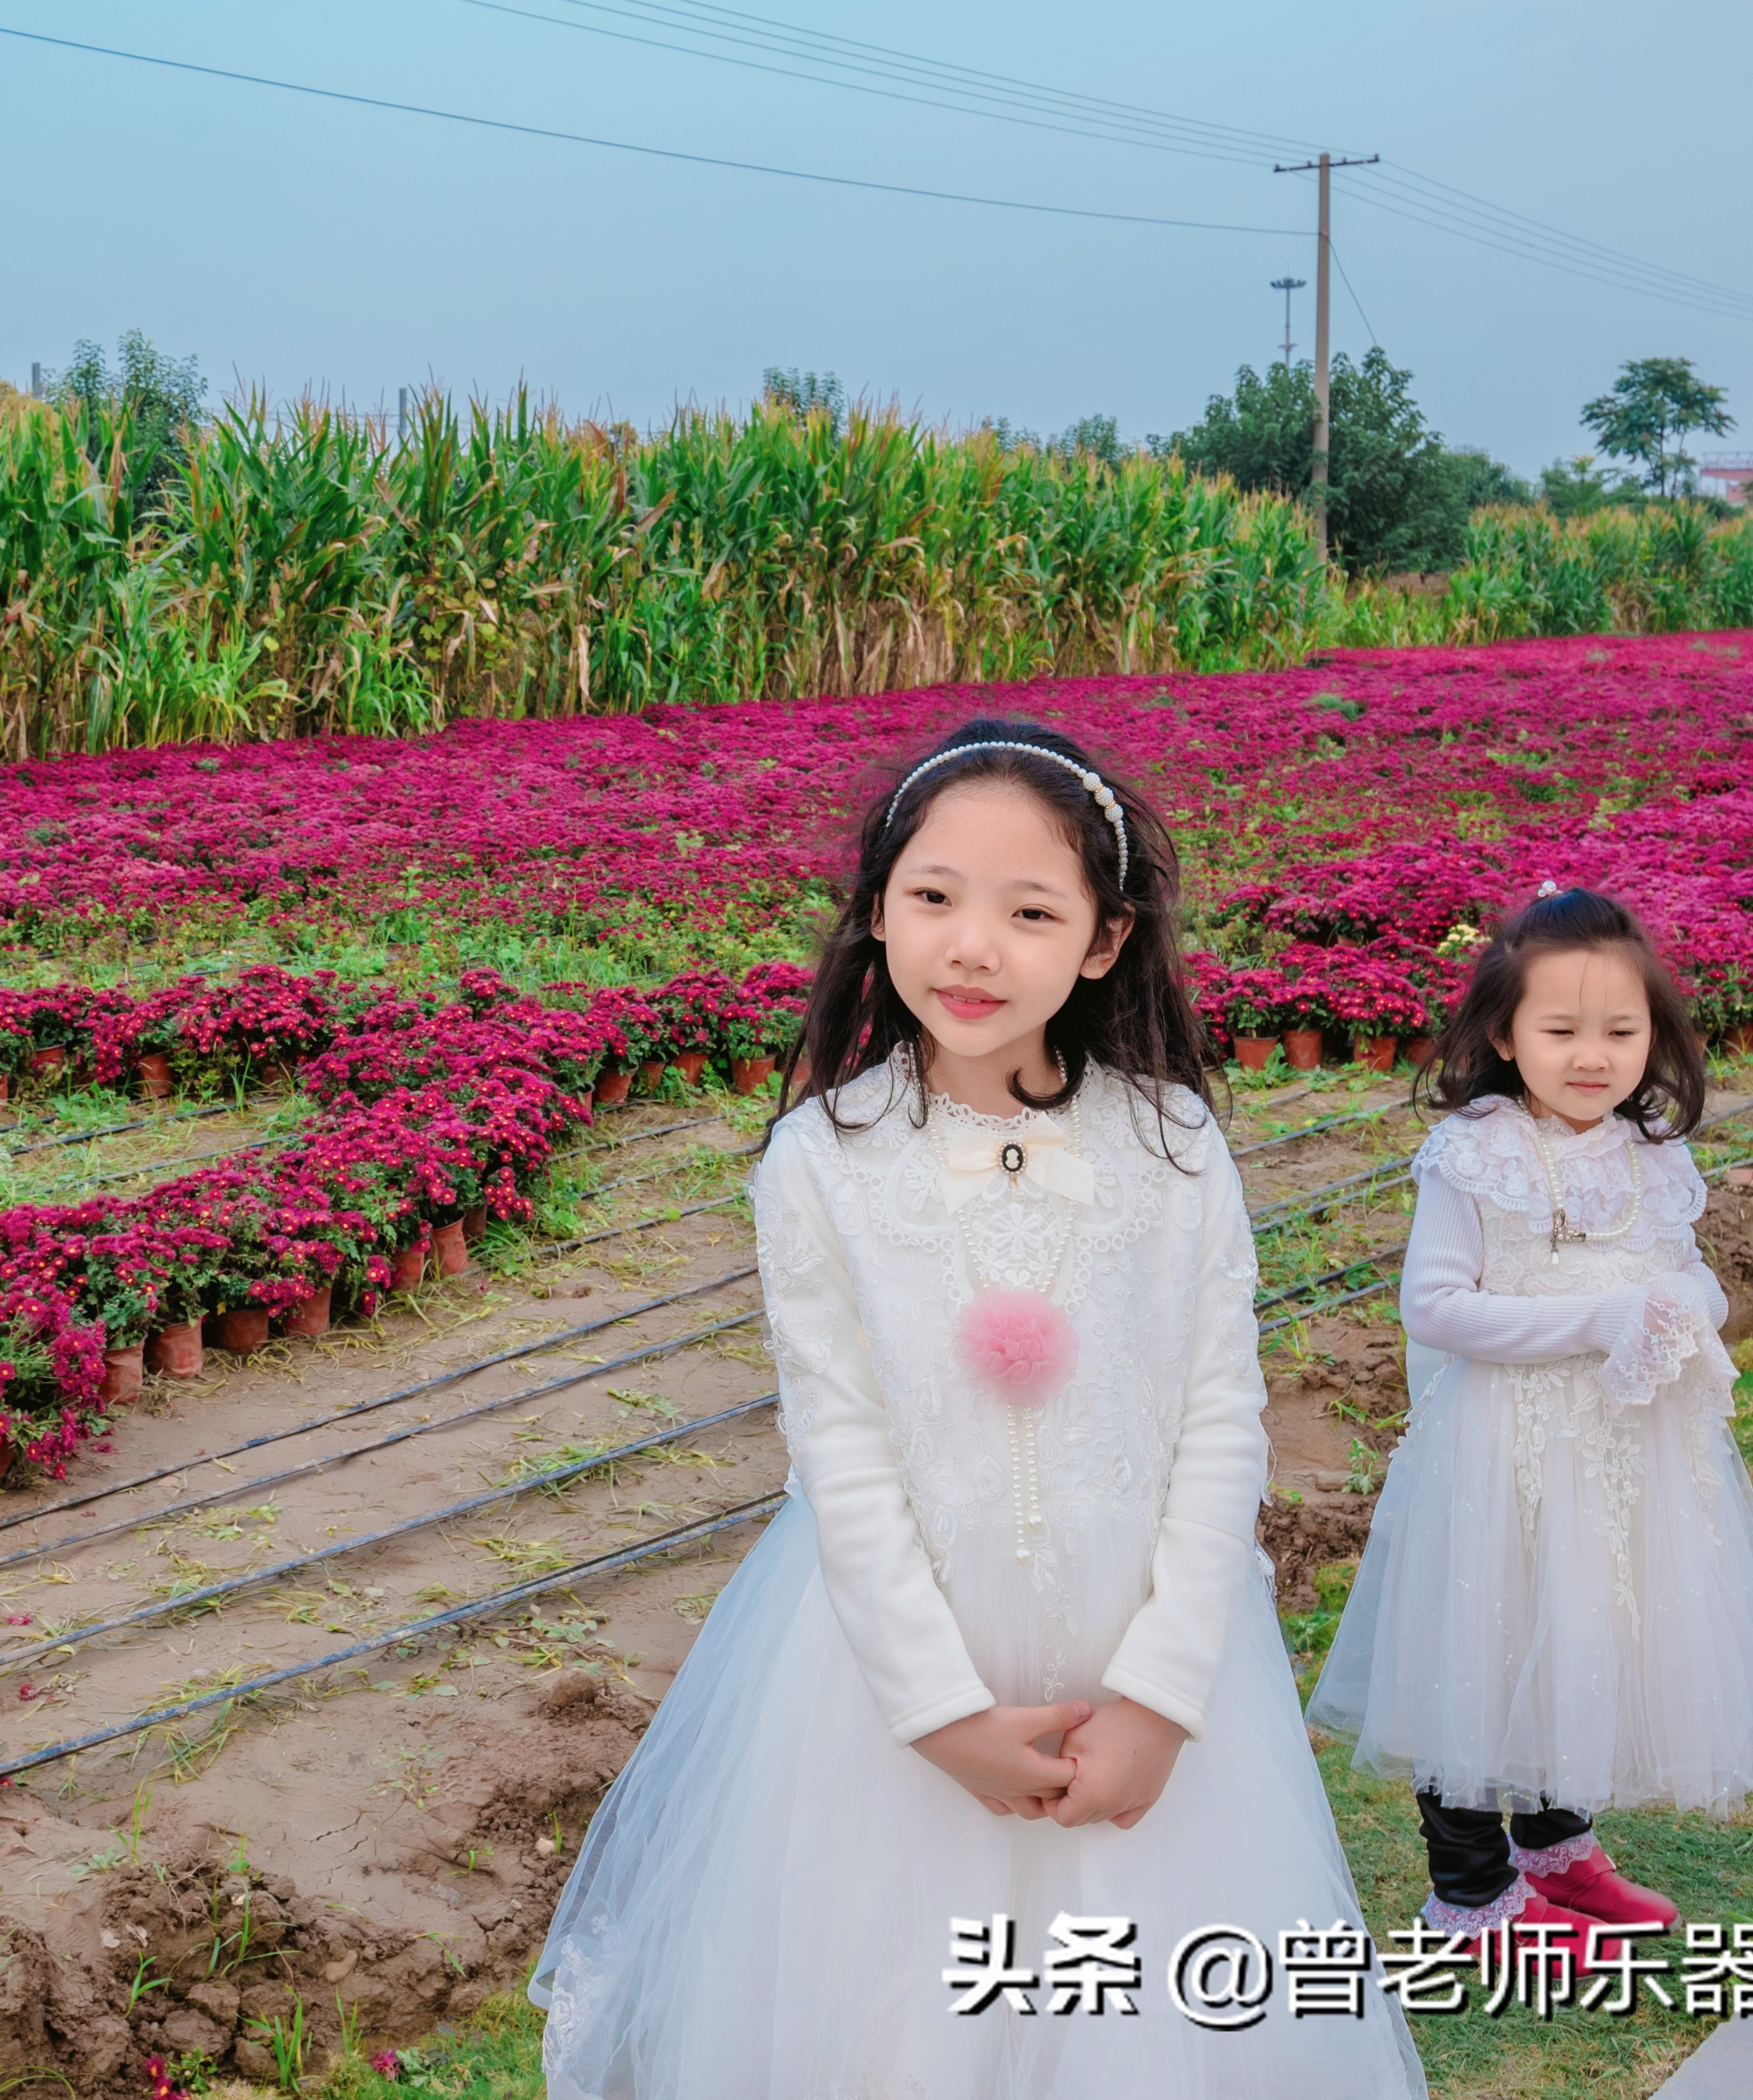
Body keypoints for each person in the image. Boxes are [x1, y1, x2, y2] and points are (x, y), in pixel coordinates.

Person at [531, 720, 1423, 2098]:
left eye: (1029, 912)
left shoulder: (1174, 1147)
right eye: (934, 896)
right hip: (885, 1682)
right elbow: (839, 1449)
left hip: (1135, 1654)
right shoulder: (821, 1162)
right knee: (899, 2024)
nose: (972, 946)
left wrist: (1161, 1696)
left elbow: (1218, 1420)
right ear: (877, 911)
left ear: (1104, 941)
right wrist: (936, 1711)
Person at [1305, 887, 1753, 1950]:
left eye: (1621, 1032)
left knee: (1584, 1631)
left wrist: (1688, 1304)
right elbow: (1435, 1308)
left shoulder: (1652, 1151)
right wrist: (1600, 1318)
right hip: (1504, 1447)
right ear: (1505, 1035)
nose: (1594, 1057)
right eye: (1562, 1031)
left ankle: (1559, 1845)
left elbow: (1687, 1271)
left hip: (1621, 1446)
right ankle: (1469, 1891)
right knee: (1484, 1643)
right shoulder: (1476, 1152)